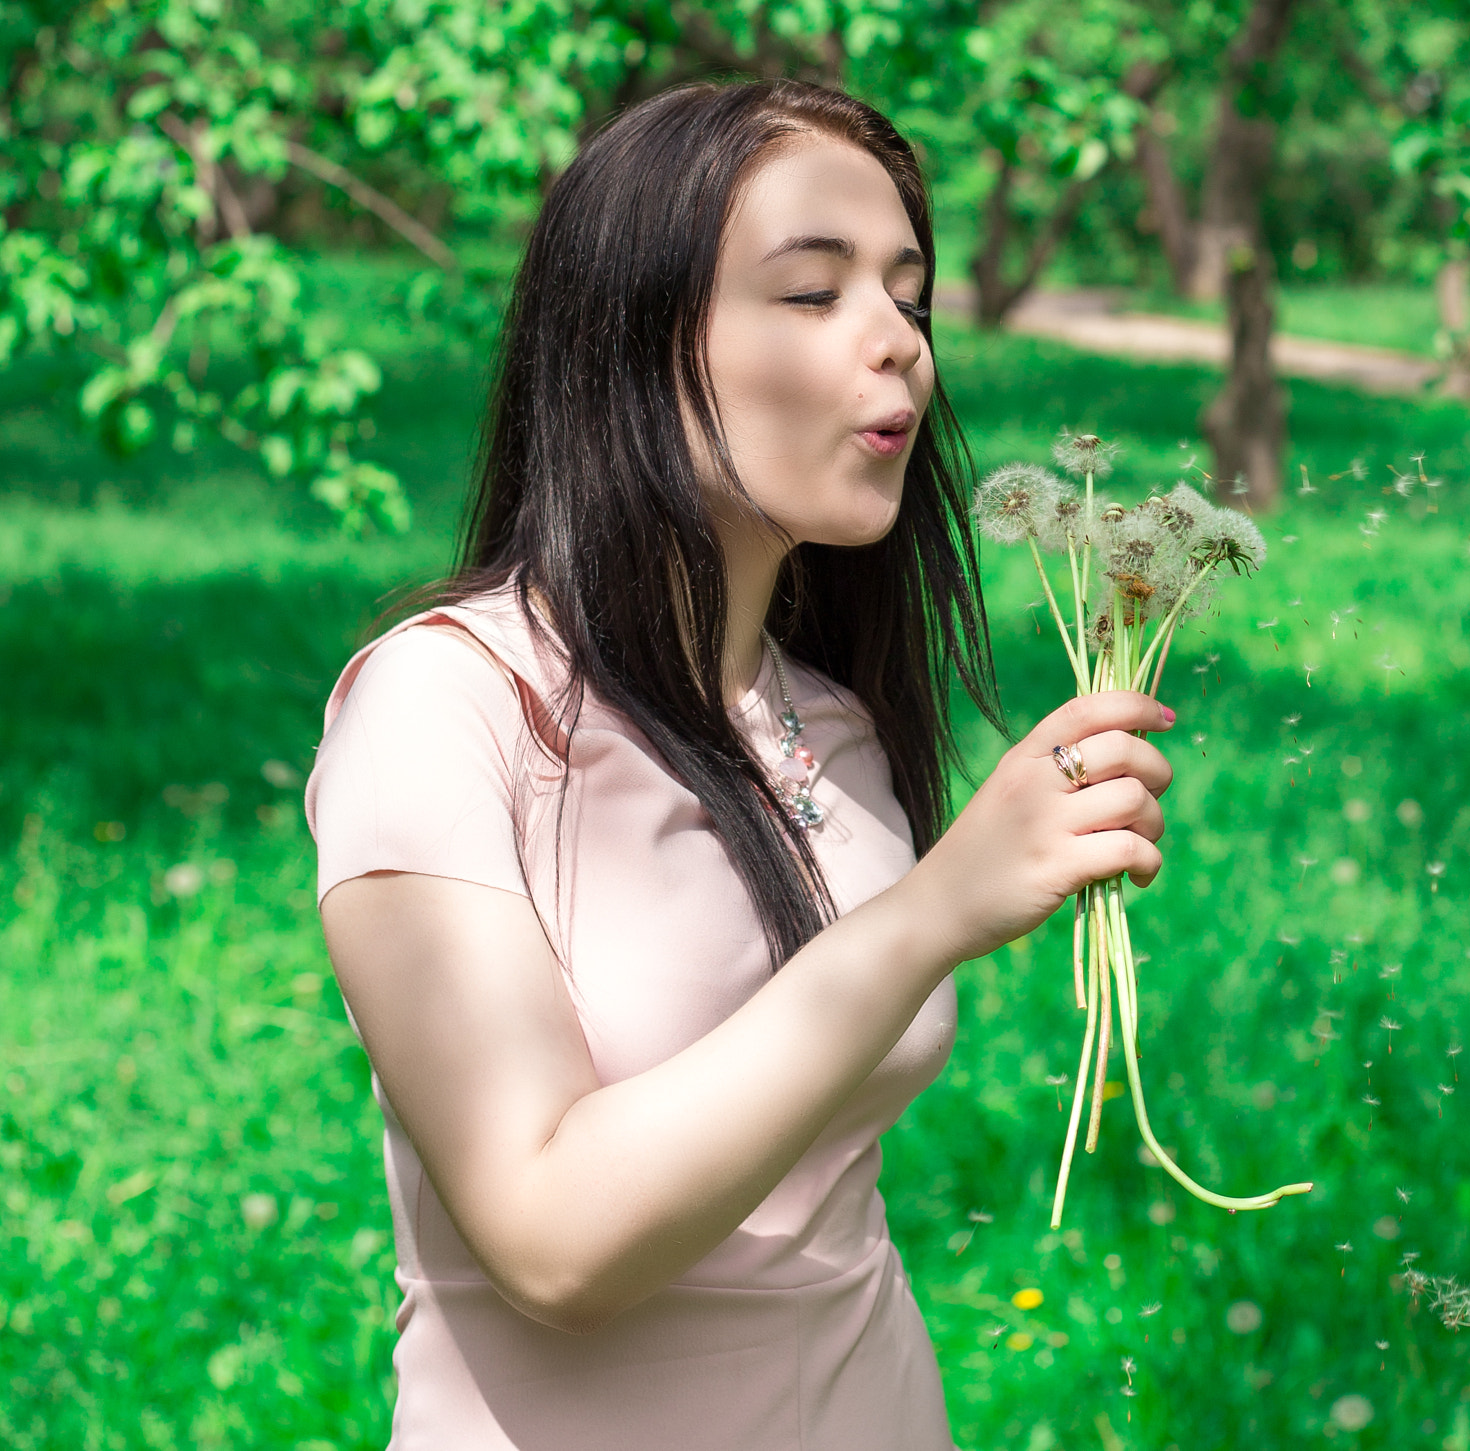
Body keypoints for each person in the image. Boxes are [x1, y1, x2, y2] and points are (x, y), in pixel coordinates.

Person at [304, 78, 1177, 1450]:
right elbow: (555, 1243)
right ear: (633, 340)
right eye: (815, 295)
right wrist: (934, 915)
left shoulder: (831, 717)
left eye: (910, 293)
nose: (900, 344)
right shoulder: (446, 706)